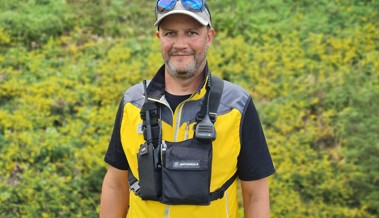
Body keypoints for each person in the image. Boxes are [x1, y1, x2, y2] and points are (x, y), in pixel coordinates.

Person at [100, 0, 275, 217]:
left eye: (191, 33)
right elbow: (116, 184)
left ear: (209, 37)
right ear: (159, 38)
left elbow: (255, 194)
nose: (180, 44)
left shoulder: (236, 105)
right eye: (170, 33)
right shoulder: (133, 103)